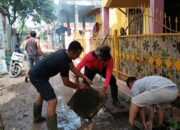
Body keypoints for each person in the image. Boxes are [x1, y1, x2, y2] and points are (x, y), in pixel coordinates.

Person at [28, 40, 92, 130]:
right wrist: (79, 86)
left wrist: (84, 77)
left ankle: (37, 118)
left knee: (43, 94)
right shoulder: (63, 62)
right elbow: (66, 82)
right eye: (77, 54)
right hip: (38, 77)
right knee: (53, 101)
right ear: (71, 52)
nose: (78, 57)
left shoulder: (64, 52)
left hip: (37, 73)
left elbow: (73, 68)